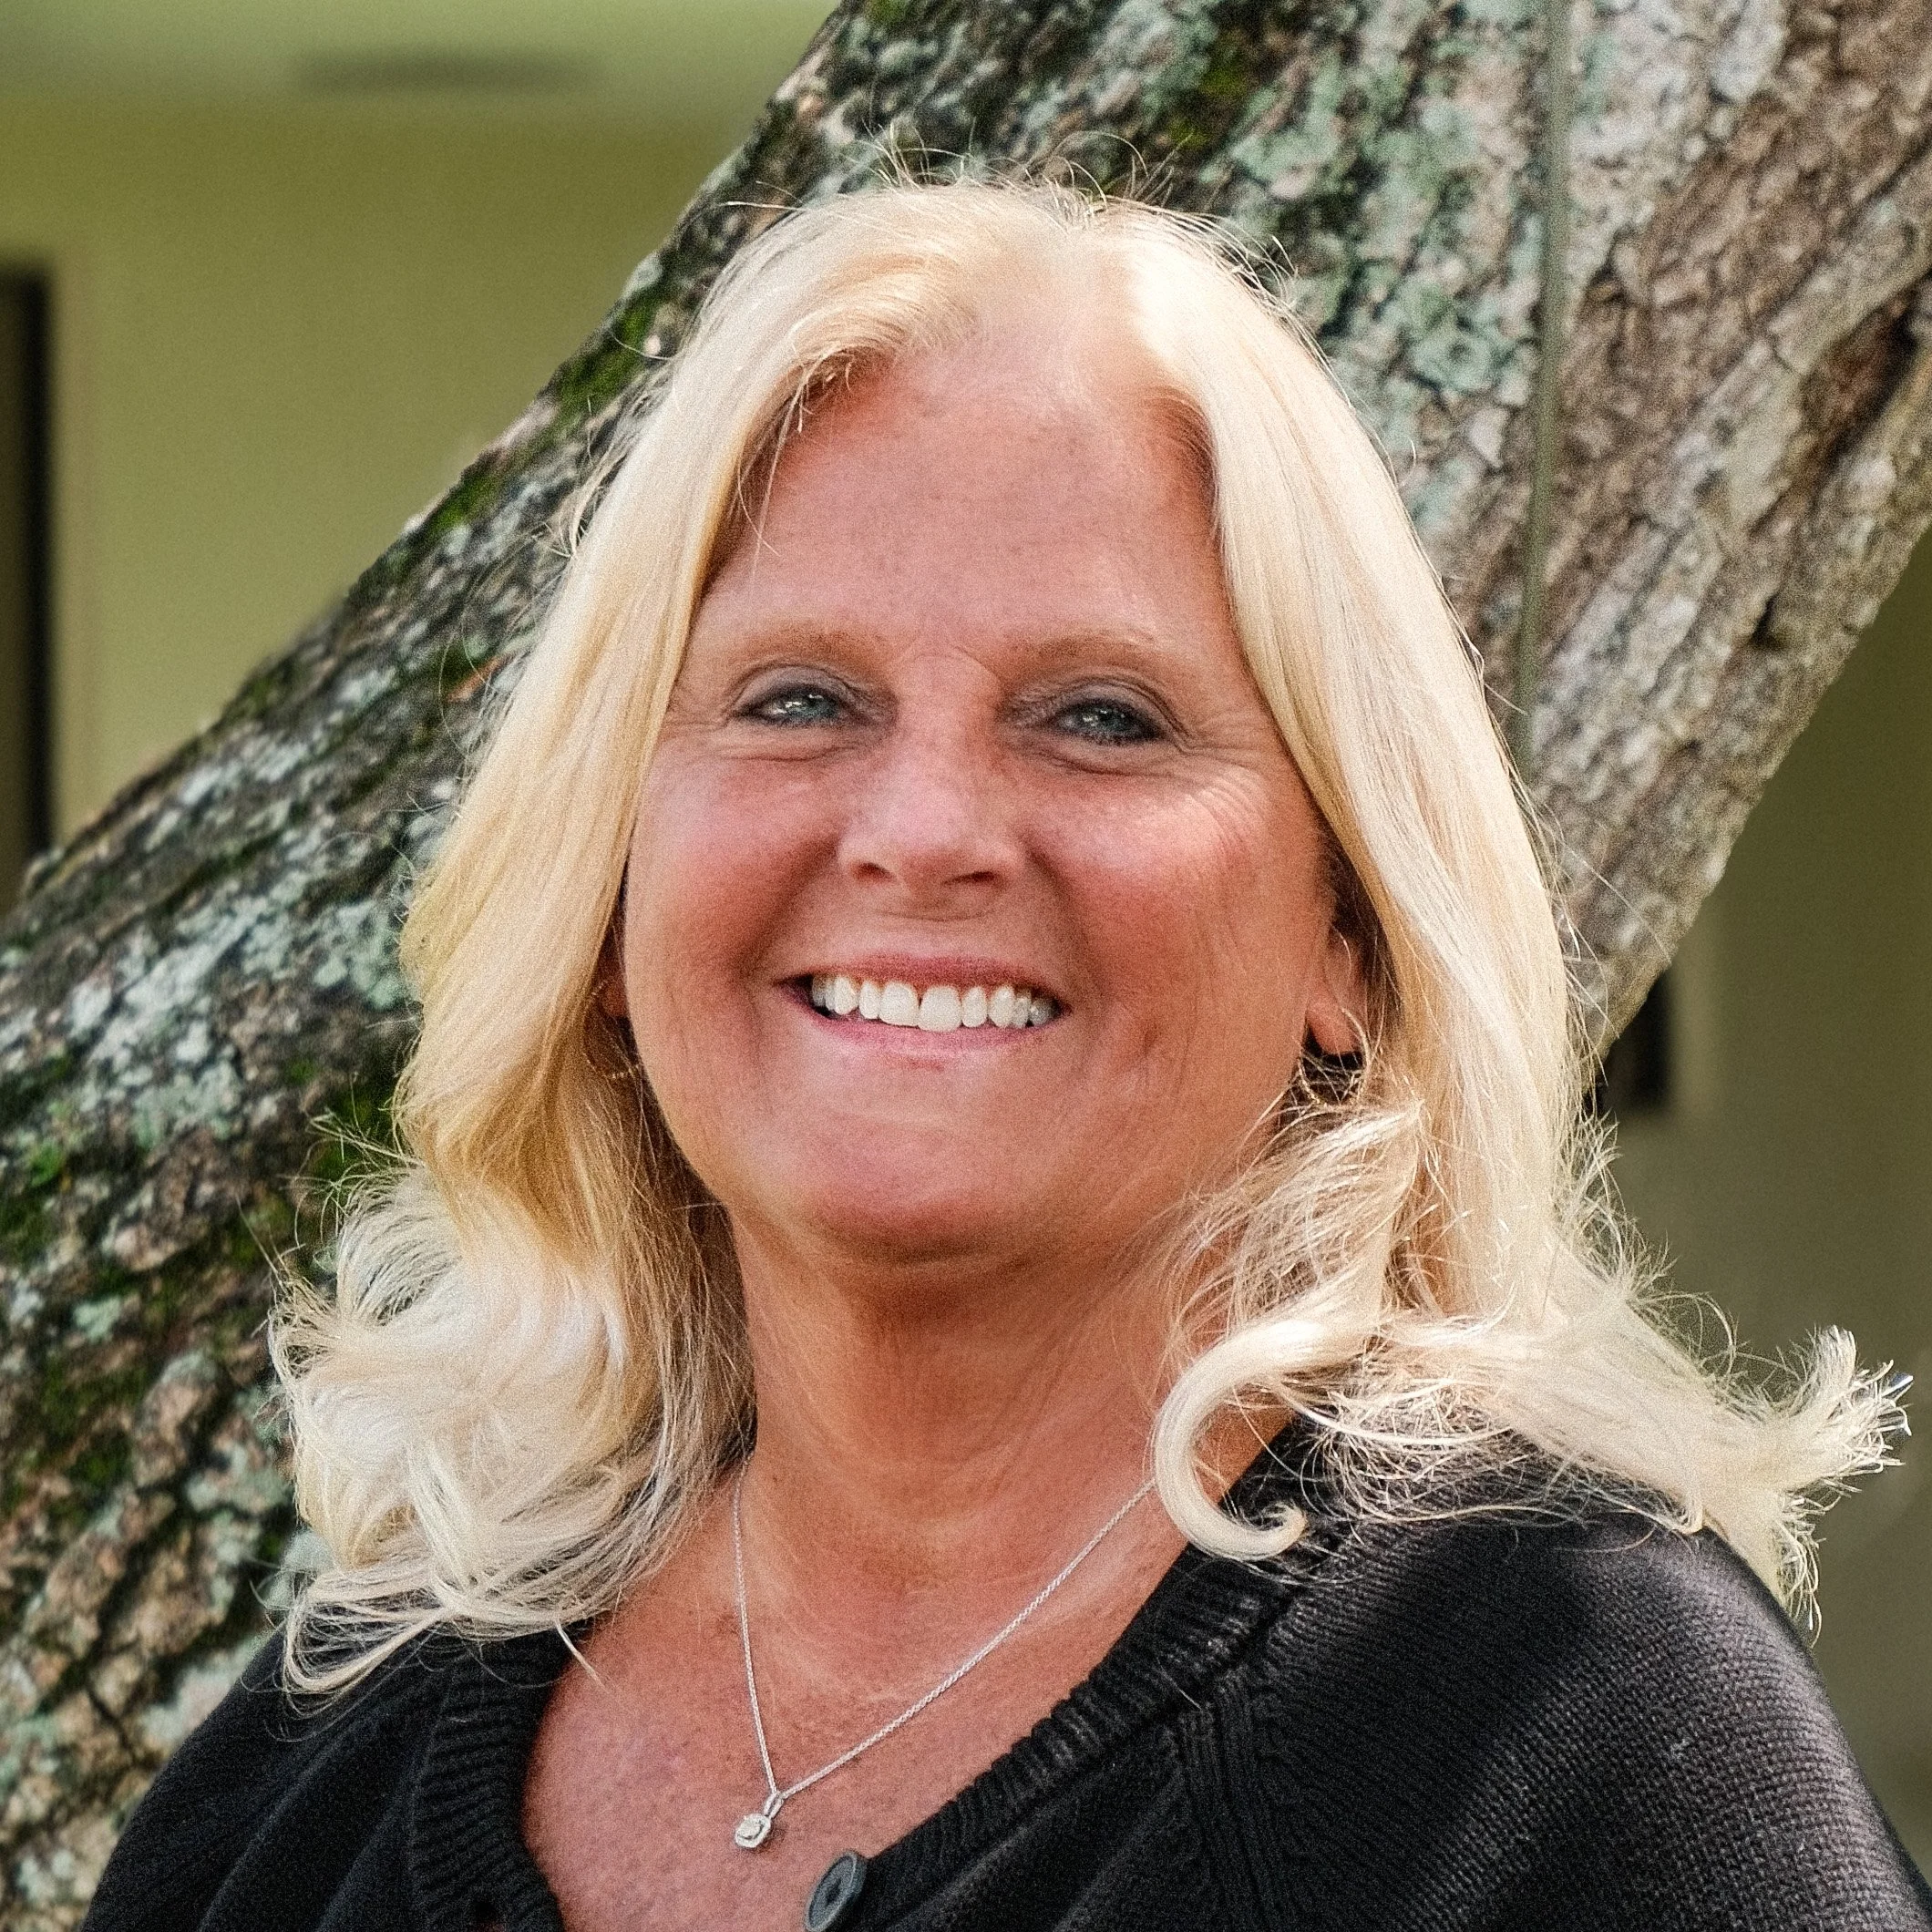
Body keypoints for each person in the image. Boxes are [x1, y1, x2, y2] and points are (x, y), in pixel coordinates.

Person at [83, 180, 1930, 1932]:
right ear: (612, 880)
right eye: (797, 697)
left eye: (1101, 718)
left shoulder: (1571, 1733)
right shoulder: (314, 1771)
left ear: (1345, 936)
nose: (924, 827)